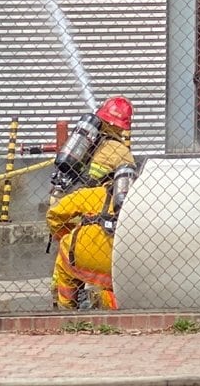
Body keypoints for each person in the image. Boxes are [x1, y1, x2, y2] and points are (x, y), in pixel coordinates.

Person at [46, 160, 135, 309]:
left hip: (83, 260)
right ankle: (106, 299)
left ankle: (66, 309)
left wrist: (67, 234)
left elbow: (54, 214)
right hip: (124, 266)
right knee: (118, 291)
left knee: (64, 257)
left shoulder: (90, 194)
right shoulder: (141, 201)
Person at [47, 96, 132, 204]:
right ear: (122, 126)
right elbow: (130, 183)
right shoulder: (121, 151)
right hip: (91, 202)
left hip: (61, 196)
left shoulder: (87, 138)